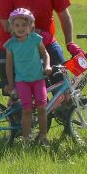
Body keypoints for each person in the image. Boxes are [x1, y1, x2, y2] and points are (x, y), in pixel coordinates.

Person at [3, 8, 53, 145]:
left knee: (42, 107)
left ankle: (43, 136)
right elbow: (9, 66)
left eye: (24, 25)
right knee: (27, 110)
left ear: (30, 25)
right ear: (12, 26)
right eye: (17, 25)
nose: (20, 28)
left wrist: (47, 66)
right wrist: (11, 84)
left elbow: (45, 54)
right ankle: (26, 139)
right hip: (22, 82)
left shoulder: (36, 39)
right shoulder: (10, 45)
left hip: (38, 80)